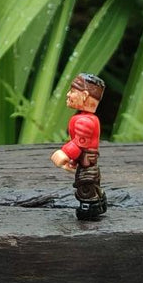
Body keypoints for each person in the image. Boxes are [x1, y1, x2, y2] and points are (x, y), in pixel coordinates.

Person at [50, 73, 108, 220]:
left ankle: (90, 208)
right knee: (90, 183)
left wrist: (64, 153)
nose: (68, 95)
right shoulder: (85, 118)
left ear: (84, 96)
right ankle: (98, 203)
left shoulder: (86, 121)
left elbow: (80, 143)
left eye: (73, 91)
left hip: (87, 163)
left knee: (86, 186)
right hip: (86, 162)